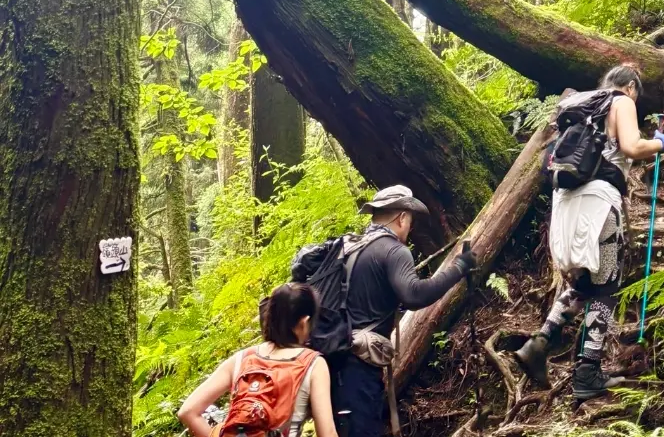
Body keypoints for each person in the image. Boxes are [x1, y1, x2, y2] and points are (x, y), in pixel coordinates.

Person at [514, 65, 664, 401]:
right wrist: (658, 143)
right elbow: (630, 146)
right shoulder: (620, 101)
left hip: (567, 204)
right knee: (607, 285)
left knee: (585, 282)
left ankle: (538, 344)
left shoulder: (581, 108)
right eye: (636, 95)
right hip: (600, 204)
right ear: (629, 87)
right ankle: (587, 372)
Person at [330, 184, 478, 437]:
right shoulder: (393, 250)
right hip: (359, 366)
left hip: (332, 360)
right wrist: (459, 268)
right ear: (402, 217)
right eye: (410, 221)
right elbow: (414, 295)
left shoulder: (351, 248)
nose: (410, 228)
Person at [178, 283, 337, 437]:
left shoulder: (242, 358)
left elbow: (188, 411)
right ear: (305, 322)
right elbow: (327, 433)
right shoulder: (313, 364)